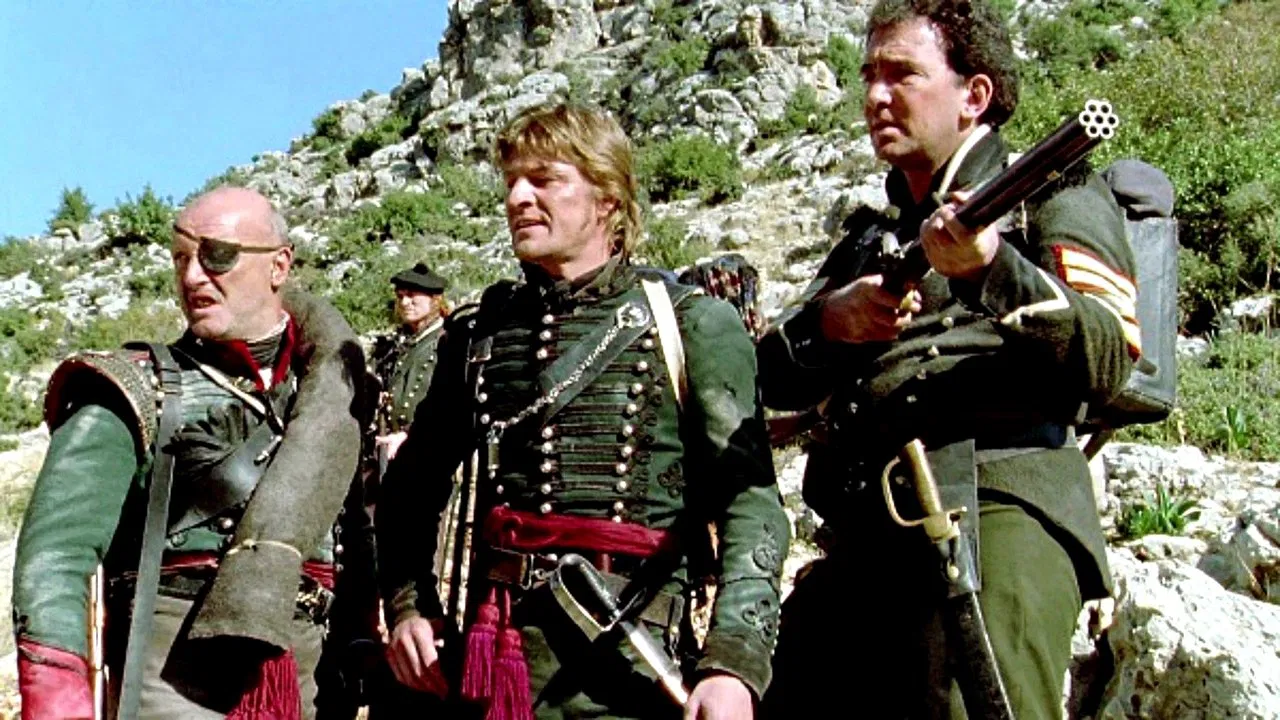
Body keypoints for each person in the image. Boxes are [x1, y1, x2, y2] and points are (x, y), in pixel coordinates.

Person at [755, 0, 1139, 717]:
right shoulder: (870, 239)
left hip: (996, 513)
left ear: (974, 95)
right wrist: (832, 322)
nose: (876, 96)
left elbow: (1109, 353)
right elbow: (768, 375)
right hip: (865, 535)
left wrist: (992, 268)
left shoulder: (1052, 193)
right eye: (869, 76)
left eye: (902, 74)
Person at [375, 102, 790, 720]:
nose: (518, 198)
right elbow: (410, 489)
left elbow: (750, 505)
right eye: (512, 181)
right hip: (501, 658)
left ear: (607, 198)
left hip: (636, 661)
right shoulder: (479, 334)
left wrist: (733, 661)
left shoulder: (692, 324)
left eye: (544, 180)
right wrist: (410, 606)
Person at [11, 186, 375, 719]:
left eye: (217, 256)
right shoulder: (134, 388)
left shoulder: (334, 398)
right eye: (181, 258)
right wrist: (56, 690)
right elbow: (57, 554)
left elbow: (356, 536)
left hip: (309, 675)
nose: (193, 276)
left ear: (279, 265)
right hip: (170, 676)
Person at [370, 262, 450, 463]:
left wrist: (409, 434)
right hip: (391, 449)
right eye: (400, 296)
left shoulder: (449, 341)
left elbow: (448, 405)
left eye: (412, 295)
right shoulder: (395, 346)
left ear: (435, 299)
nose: (405, 302)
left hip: (430, 450)